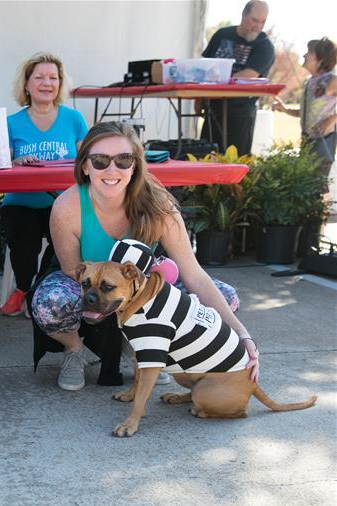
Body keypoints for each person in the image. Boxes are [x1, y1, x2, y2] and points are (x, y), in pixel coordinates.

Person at [32, 121, 259, 392]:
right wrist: (118, 300)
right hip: (93, 288)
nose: (112, 169)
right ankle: (74, 349)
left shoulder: (158, 203)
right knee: (51, 302)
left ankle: (149, 346)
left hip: (145, 288)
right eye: (100, 160)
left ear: (136, 165)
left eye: (123, 159)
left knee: (227, 298)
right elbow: (73, 271)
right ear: (85, 166)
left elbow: (193, 273)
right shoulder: (67, 207)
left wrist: (242, 334)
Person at [0, 52, 88, 317]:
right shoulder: (11, 122)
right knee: (23, 238)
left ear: (60, 84)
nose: (47, 83)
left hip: (63, 202)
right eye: (39, 77)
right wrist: (16, 159)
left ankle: (40, 288)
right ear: (26, 84)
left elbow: (87, 161)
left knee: (66, 243)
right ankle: (24, 287)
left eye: (53, 77)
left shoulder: (74, 119)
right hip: (21, 203)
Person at [200, 0, 275, 156]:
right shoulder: (222, 35)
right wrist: (198, 99)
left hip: (240, 113)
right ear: (243, 15)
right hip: (213, 108)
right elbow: (204, 67)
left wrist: (218, 82)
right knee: (206, 156)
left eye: (263, 21)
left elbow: (249, 75)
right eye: (254, 20)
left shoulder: (264, 45)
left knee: (235, 162)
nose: (258, 26)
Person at [273, 37, 337, 177]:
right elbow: (306, 113)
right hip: (307, 141)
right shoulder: (311, 81)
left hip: (323, 143)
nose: (304, 55)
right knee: (308, 185)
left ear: (321, 59)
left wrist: (332, 119)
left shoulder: (332, 80)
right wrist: (285, 109)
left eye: (309, 52)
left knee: (318, 187)